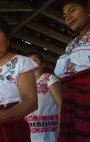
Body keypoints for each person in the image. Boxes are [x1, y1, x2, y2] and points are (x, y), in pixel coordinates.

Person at [54, 0, 90, 142]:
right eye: (64, 15)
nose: (68, 17)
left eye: (72, 10)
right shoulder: (71, 45)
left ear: (88, 9)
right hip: (72, 100)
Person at [25, 52, 62, 142]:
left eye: (35, 61)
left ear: (42, 65)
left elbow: (62, 103)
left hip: (49, 133)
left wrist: (59, 129)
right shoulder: (24, 85)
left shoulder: (49, 78)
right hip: (29, 134)